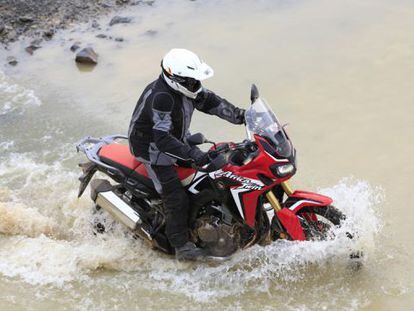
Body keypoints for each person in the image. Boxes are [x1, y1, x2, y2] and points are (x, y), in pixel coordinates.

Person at [128, 48, 245, 260]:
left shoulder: (187, 89)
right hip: (151, 148)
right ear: (176, 78)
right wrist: (194, 155)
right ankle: (181, 245)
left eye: (195, 81)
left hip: (175, 137)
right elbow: (162, 139)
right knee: (175, 196)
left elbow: (212, 102)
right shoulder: (162, 98)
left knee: (212, 174)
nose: (195, 85)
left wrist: (242, 116)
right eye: (191, 81)